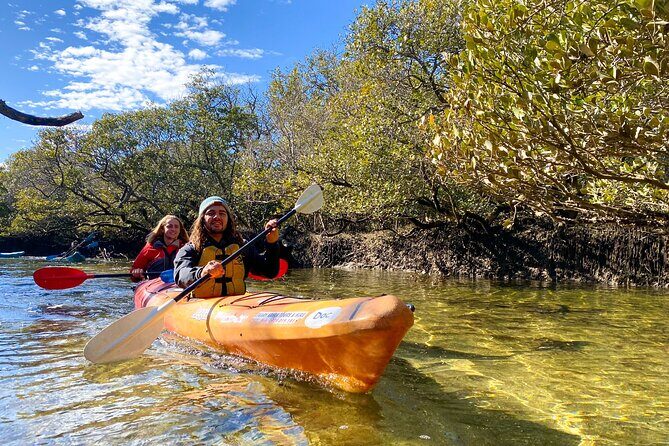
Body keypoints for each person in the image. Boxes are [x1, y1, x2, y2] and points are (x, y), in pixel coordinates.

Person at [174, 196, 279, 298]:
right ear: (202, 219)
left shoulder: (242, 246)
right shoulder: (191, 248)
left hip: (235, 306)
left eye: (222, 213)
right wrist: (202, 272)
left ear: (228, 219)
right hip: (201, 307)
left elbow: (270, 272)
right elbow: (180, 275)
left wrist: (272, 243)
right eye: (211, 213)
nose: (217, 217)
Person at [131, 215, 189, 281]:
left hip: (178, 285)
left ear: (179, 230)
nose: (173, 229)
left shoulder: (186, 248)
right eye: (169, 226)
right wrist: (136, 272)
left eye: (176, 227)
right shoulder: (150, 247)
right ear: (162, 229)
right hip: (155, 285)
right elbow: (134, 272)